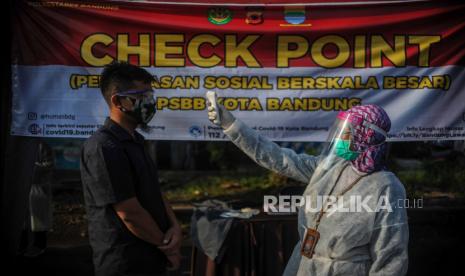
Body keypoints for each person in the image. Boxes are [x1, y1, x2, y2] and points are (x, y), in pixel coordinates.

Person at [207, 97, 408, 276]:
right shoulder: (329, 168)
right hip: (305, 266)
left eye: (346, 133)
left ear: (365, 137)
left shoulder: (386, 187)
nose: (340, 139)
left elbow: (391, 257)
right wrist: (231, 125)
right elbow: (278, 158)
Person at [80, 61, 182, 276]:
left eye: (151, 96)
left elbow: (154, 191)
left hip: (152, 255)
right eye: (143, 97)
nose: (150, 103)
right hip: (125, 262)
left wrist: (174, 227)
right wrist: (168, 248)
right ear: (118, 101)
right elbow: (129, 212)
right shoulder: (103, 147)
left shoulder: (136, 140)